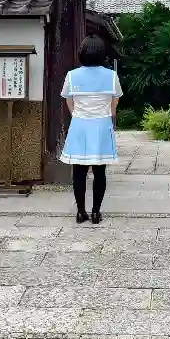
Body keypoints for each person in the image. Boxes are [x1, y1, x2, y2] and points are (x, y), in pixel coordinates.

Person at [59, 35, 121, 224]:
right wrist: (106, 116)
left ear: (82, 53)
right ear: (102, 54)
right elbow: (114, 103)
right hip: (101, 125)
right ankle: (95, 213)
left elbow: (68, 100)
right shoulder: (111, 76)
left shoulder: (72, 75)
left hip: (80, 126)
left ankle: (80, 212)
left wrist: (78, 115)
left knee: (79, 171)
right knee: (99, 171)